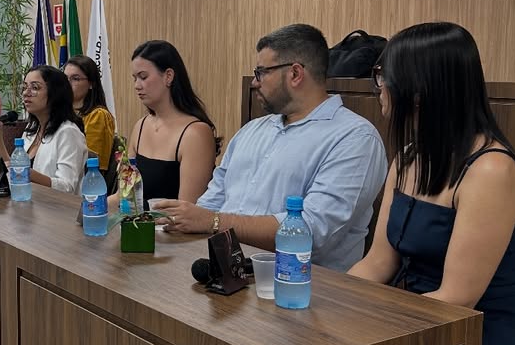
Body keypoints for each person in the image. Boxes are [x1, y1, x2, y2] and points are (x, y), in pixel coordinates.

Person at [347, 22, 515, 345]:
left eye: (383, 76)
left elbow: (454, 301)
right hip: (422, 336)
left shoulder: (491, 172)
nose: (380, 88)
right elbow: (377, 264)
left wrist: (370, 333)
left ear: (420, 91)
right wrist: (326, 305)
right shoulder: (409, 159)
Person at [156, 24, 386, 271]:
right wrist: (183, 219)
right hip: (224, 273)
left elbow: (311, 231)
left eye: (261, 72)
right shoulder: (251, 131)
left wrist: (214, 222)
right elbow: (210, 204)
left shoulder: (354, 138)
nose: (255, 82)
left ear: (295, 73)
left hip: (300, 284)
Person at [121, 40, 218, 207]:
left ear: (168, 76)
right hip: (135, 219)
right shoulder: (140, 126)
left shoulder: (196, 133)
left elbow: (186, 211)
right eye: (134, 78)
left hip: (172, 223)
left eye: (143, 77)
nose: (137, 86)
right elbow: (124, 194)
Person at [0, 66, 88, 194]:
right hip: (27, 201)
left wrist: (27, 173)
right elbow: (13, 172)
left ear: (55, 93)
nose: (26, 93)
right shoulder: (32, 130)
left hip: (56, 205)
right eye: (24, 87)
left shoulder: (68, 132)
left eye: (35, 88)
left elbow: (67, 187)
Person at [64, 55, 116, 171]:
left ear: (91, 83)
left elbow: (92, 164)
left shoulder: (98, 115)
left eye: (75, 78)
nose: (67, 83)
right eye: (65, 78)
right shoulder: (61, 113)